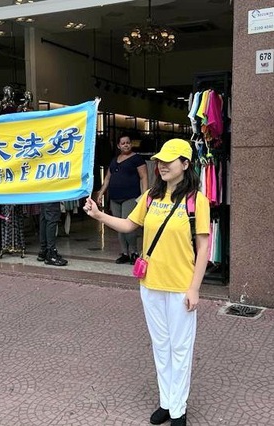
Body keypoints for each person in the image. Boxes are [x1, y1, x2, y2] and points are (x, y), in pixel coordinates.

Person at [84, 138, 210, 426]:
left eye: (169, 160)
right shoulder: (151, 197)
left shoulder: (196, 201)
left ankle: (179, 408)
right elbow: (129, 225)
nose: (162, 165)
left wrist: (194, 288)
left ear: (186, 164)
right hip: (150, 284)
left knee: (180, 349)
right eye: (160, 161)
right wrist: (99, 214)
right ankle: (166, 401)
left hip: (180, 287)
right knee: (160, 346)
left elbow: (203, 247)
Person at [96, 134, 148, 265]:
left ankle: (134, 252)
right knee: (119, 227)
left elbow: (144, 177)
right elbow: (107, 178)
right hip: (114, 198)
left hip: (130, 197)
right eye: (123, 143)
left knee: (128, 226)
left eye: (128, 142)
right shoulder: (114, 160)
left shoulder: (137, 159)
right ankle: (124, 253)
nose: (126, 145)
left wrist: (145, 195)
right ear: (119, 146)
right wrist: (101, 192)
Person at [37, 202, 68, 266]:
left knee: (45, 215)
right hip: (51, 193)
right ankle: (51, 253)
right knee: (52, 214)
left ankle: (44, 250)